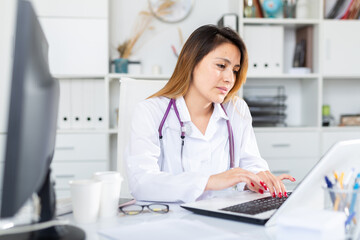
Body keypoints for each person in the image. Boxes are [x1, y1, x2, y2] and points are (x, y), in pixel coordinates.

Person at [124, 25, 295, 203]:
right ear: (190, 62)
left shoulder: (237, 110)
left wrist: (257, 179)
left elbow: (251, 163)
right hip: (171, 219)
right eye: (221, 66)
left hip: (224, 218)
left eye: (235, 70)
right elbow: (141, 183)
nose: (230, 78)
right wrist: (209, 181)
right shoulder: (150, 112)